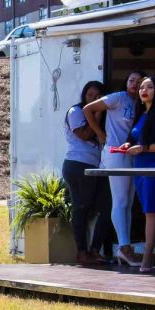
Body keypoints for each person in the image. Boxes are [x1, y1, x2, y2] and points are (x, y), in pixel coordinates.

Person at [83, 70, 147, 266]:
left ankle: (124, 247)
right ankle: (124, 247)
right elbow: (88, 109)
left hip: (132, 154)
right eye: (131, 80)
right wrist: (99, 133)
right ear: (126, 82)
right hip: (116, 152)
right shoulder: (118, 98)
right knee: (120, 200)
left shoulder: (139, 104)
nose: (134, 84)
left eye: (138, 81)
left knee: (128, 201)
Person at [62, 81, 112, 265]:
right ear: (84, 95)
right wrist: (96, 113)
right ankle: (82, 251)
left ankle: (95, 249)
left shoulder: (106, 116)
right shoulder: (75, 112)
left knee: (107, 207)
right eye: (90, 95)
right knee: (81, 207)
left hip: (97, 167)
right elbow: (84, 134)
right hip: (77, 165)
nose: (93, 99)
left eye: (98, 97)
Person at [120, 77, 155, 272]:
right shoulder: (142, 114)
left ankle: (147, 257)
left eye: (149, 87)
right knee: (147, 211)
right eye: (142, 87)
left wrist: (143, 148)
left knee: (151, 212)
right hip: (139, 168)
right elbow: (135, 138)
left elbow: (144, 145)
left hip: (151, 167)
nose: (144, 90)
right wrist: (128, 144)